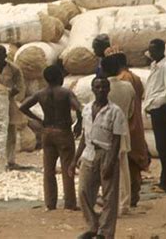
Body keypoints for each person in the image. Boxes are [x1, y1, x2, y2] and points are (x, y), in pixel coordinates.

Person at [69, 76, 127, 239]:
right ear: (92, 89)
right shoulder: (86, 109)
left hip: (107, 152)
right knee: (84, 192)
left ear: (108, 90)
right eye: (97, 87)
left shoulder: (115, 111)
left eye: (104, 87)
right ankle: (93, 225)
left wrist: (110, 161)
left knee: (109, 196)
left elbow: (116, 139)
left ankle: (106, 232)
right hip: (89, 153)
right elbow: (85, 137)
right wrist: (75, 159)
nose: (101, 90)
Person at [20, 65, 82, 210]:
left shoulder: (40, 94)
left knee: (49, 170)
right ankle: (70, 203)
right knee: (68, 168)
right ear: (59, 77)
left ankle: (50, 203)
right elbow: (79, 108)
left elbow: (23, 107)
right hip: (63, 132)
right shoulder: (66, 93)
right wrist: (79, 123)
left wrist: (39, 120)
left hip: (47, 132)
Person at [111, 48, 150, 206]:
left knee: (129, 160)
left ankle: (130, 196)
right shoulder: (135, 77)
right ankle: (133, 194)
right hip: (135, 121)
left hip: (128, 122)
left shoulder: (124, 79)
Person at [100, 51, 135, 216]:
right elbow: (131, 111)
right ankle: (124, 204)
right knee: (123, 168)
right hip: (123, 130)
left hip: (105, 132)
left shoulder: (101, 88)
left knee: (106, 168)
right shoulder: (128, 87)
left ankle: (109, 202)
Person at [143, 39, 166, 193]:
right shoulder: (155, 65)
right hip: (156, 108)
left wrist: (156, 103)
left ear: (162, 50)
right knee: (161, 146)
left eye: (153, 50)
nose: (150, 53)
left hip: (162, 108)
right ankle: (165, 180)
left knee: (165, 147)